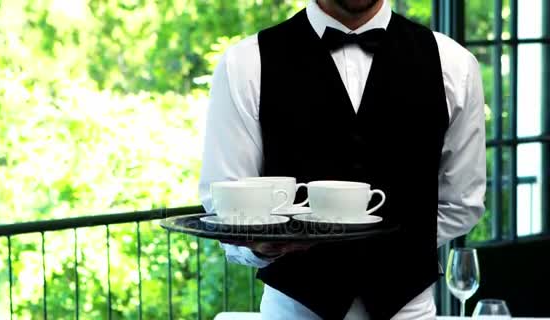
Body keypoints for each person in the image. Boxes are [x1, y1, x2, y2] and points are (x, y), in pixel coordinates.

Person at [198, 0, 486, 319]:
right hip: (294, 310)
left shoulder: (454, 65)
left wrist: (402, 247)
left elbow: (463, 202)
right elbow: (225, 201)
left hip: (408, 311)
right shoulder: (245, 63)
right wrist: (257, 246)